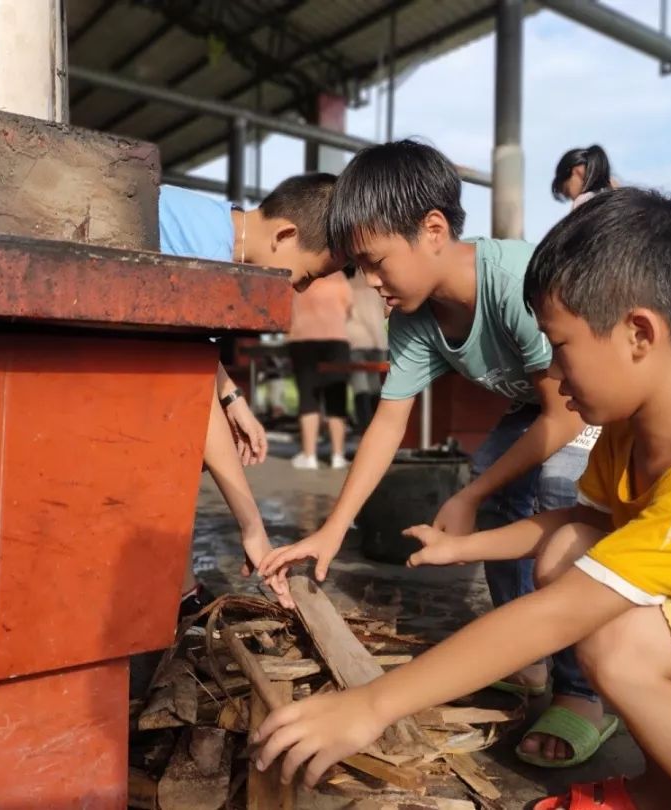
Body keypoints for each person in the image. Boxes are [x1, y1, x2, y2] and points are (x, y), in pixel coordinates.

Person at [252, 188, 671, 810]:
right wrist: (465, 546)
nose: (550, 376)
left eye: (560, 347)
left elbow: (557, 615)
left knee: (620, 638)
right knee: (573, 546)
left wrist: (372, 704)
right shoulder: (632, 432)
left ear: (639, 333)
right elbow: (581, 520)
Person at [259, 141, 609, 767]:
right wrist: (333, 529)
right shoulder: (415, 317)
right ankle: (527, 656)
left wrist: (468, 495)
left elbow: (567, 415)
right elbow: (389, 422)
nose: (371, 281)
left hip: (602, 397)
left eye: (375, 262)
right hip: (546, 399)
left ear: (433, 230)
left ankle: (583, 690)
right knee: (498, 488)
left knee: (561, 492)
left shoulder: (518, 283)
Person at [157, 173, 342, 611]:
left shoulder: (211, 223)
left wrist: (231, 396)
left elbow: (188, 352)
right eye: (308, 274)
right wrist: (253, 527)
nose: (300, 287)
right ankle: (175, 596)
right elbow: (187, 386)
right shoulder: (205, 255)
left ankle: (182, 591)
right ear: (285, 235)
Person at [288, 271, 353, 471]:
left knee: (308, 397)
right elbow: (349, 308)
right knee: (336, 397)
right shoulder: (339, 278)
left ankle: (309, 456)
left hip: (302, 338)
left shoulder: (299, 275)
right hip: (336, 339)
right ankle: (337, 455)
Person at [346, 266, 388, 431]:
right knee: (375, 385)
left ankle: (364, 428)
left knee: (360, 386)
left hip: (354, 340)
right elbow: (384, 312)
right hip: (377, 341)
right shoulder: (376, 287)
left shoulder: (348, 285)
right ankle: (377, 429)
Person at [552, 144, 615, 209]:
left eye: (568, 191)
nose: (572, 199)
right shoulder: (616, 199)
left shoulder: (582, 202)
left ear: (578, 171)